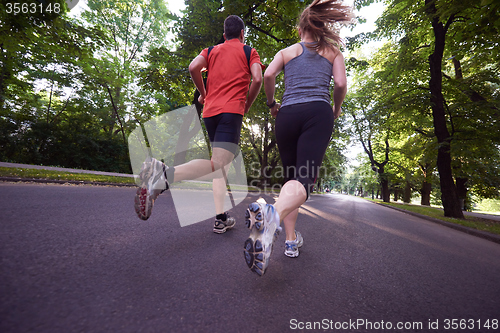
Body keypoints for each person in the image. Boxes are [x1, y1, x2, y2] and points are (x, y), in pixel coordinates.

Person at [243, 0, 353, 275]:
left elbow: (268, 74)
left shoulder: (287, 51)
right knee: (303, 181)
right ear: (321, 26)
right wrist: (336, 108)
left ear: (301, 27)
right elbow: (340, 84)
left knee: (291, 180)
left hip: (287, 114)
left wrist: (272, 104)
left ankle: (290, 241)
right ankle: (272, 214)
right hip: (317, 112)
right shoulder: (332, 52)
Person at [135, 15, 264, 234]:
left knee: (219, 167)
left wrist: (204, 94)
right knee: (218, 165)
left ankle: (221, 217)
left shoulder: (211, 51)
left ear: (225, 35)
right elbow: (258, 79)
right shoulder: (248, 51)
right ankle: (164, 175)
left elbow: (193, 66)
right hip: (231, 111)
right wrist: (246, 104)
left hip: (210, 113)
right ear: (242, 34)